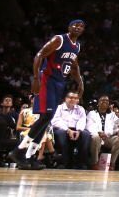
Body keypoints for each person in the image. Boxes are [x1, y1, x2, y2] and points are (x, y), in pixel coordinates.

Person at [18, 19, 85, 168]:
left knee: (47, 119)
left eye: (81, 26)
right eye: (75, 24)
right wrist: (36, 78)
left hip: (59, 83)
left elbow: (74, 65)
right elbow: (39, 55)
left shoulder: (77, 46)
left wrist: (80, 81)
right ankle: (19, 151)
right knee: (46, 116)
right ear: (69, 27)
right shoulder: (59, 39)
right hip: (47, 80)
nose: (78, 27)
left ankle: (30, 156)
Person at [86, 95, 119, 169]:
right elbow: (89, 126)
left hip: (108, 137)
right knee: (96, 137)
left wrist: (118, 132)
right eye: (102, 100)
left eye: (107, 101)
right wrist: (99, 132)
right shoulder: (92, 113)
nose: (105, 102)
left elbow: (116, 126)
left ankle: (111, 163)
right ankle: (94, 163)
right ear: (98, 103)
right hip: (97, 137)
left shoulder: (112, 115)